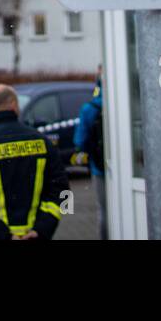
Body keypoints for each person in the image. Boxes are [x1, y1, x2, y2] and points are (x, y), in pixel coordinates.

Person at [0, 83, 68, 240]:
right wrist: (43, 228)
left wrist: (3, 235)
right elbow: (64, 192)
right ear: (15, 106)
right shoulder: (43, 142)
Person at [73, 71, 107, 239]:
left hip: (99, 167)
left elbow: (80, 140)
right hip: (129, 168)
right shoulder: (125, 101)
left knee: (104, 210)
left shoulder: (89, 109)